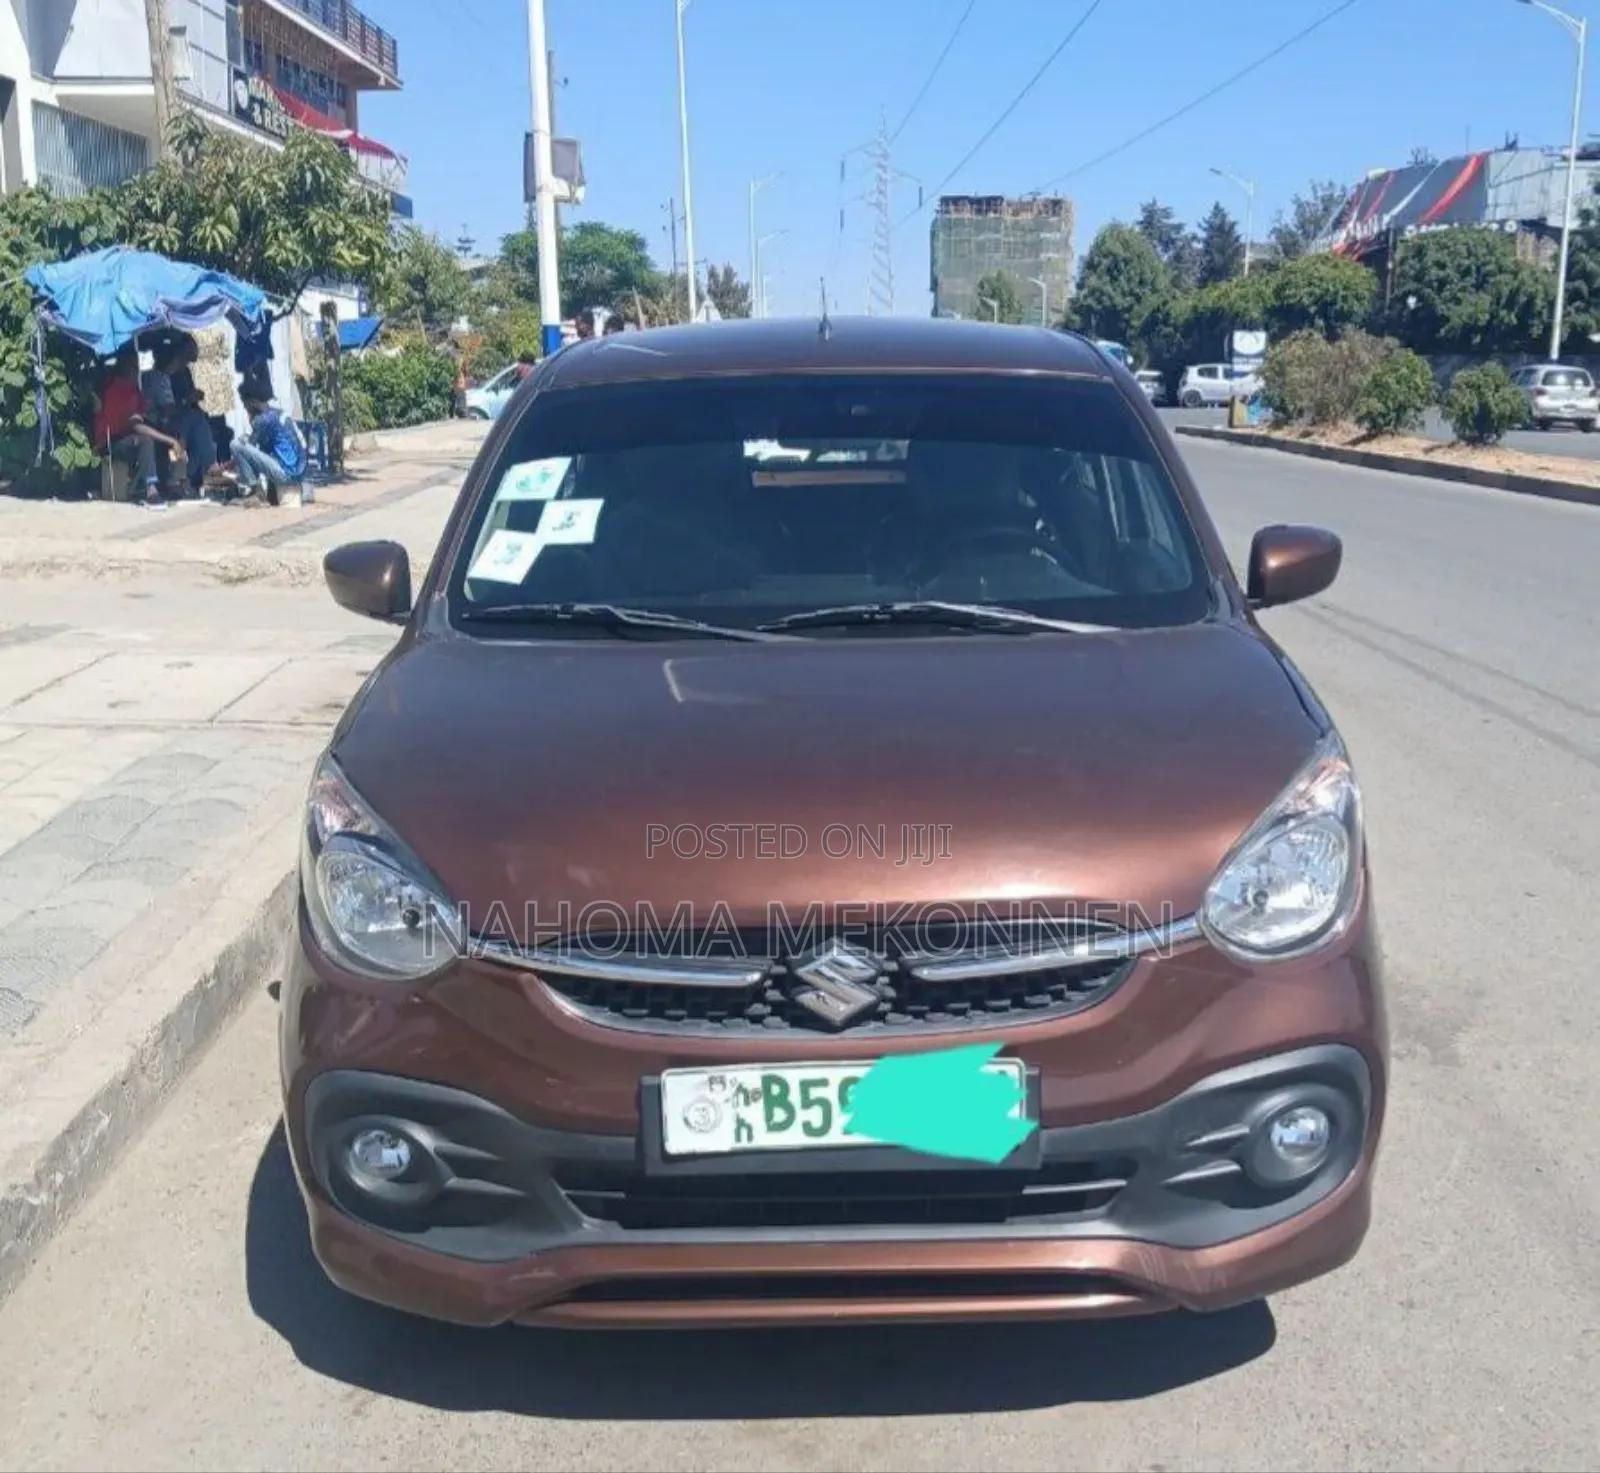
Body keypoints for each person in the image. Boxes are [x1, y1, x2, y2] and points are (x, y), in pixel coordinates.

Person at [94, 344, 185, 509]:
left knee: (165, 434)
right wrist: (170, 440)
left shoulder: (133, 389)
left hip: (125, 436)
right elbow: (137, 426)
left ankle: (173, 481)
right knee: (146, 440)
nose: (137, 371)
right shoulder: (118, 389)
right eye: (134, 367)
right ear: (126, 367)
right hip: (111, 441)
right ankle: (151, 489)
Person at [234, 388, 311, 508]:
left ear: (251, 403)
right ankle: (271, 494)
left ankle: (255, 492)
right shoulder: (278, 413)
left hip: (286, 473)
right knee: (267, 451)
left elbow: (247, 450)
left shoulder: (263, 419)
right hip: (299, 472)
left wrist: (227, 468)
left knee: (236, 445)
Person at [160, 335, 217, 495]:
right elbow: (166, 408)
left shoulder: (185, 372)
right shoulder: (165, 374)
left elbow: (191, 401)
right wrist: (186, 400)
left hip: (187, 416)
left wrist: (194, 400)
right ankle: (209, 472)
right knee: (195, 424)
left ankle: (202, 474)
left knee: (202, 425)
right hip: (169, 419)